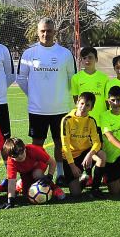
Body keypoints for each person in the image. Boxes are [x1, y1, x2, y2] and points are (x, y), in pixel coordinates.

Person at [16, 18, 76, 177]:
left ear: (54, 32)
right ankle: (38, 174)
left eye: (49, 31)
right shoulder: (29, 53)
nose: (46, 34)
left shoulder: (65, 53)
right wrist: (34, 94)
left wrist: (61, 93)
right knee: (37, 145)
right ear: (37, 32)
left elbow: (72, 78)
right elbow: (21, 78)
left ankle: (61, 174)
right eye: (42, 31)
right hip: (37, 108)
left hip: (60, 108)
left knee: (61, 143)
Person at [59, 92, 105, 199]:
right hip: (71, 158)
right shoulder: (67, 120)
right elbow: (65, 145)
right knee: (76, 193)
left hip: (85, 154)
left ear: (91, 108)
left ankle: (95, 189)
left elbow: (97, 142)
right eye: (82, 103)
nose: (83, 107)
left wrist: (90, 154)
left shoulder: (91, 121)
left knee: (101, 156)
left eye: (87, 105)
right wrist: (72, 166)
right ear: (77, 103)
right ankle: (85, 178)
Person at [0, 138, 57, 209]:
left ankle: (55, 188)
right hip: (25, 172)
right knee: (26, 194)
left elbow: (52, 162)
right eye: (16, 156)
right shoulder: (11, 162)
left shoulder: (33, 150)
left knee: (36, 174)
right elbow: (11, 182)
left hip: (39, 165)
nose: (20, 156)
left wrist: (49, 177)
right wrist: (10, 201)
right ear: (11, 156)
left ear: (24, 148)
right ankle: (20, 184)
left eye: (21, 152)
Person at [69, 47, 110, 121]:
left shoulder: (104, 78)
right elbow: (75, 98)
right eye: (84, 58)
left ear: (96, 59)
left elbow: (107, 100)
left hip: (100, 117)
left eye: (90, 57)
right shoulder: (76, 78)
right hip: (83, 118)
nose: (87, 60)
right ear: (81, 61)